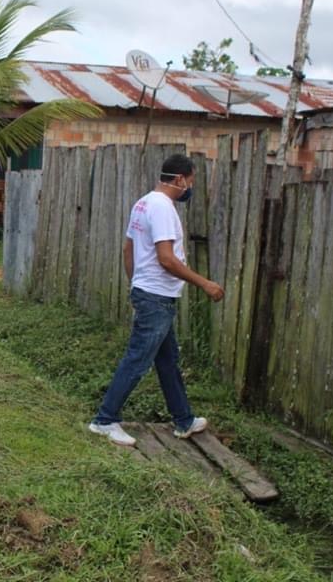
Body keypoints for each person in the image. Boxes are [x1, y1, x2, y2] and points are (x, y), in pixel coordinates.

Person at [89, 153, 225, 447]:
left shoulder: (143, 202)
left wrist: (136, 283)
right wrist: (205, 284)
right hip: (157, 297)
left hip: (149, 292)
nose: (190, 188)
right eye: (190, 182)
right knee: (138, 359)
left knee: (167, 361)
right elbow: (166, 259)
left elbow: (128, 249)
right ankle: (104, 420)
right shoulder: (163, 208)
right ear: (179, 180)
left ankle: (183, 420)